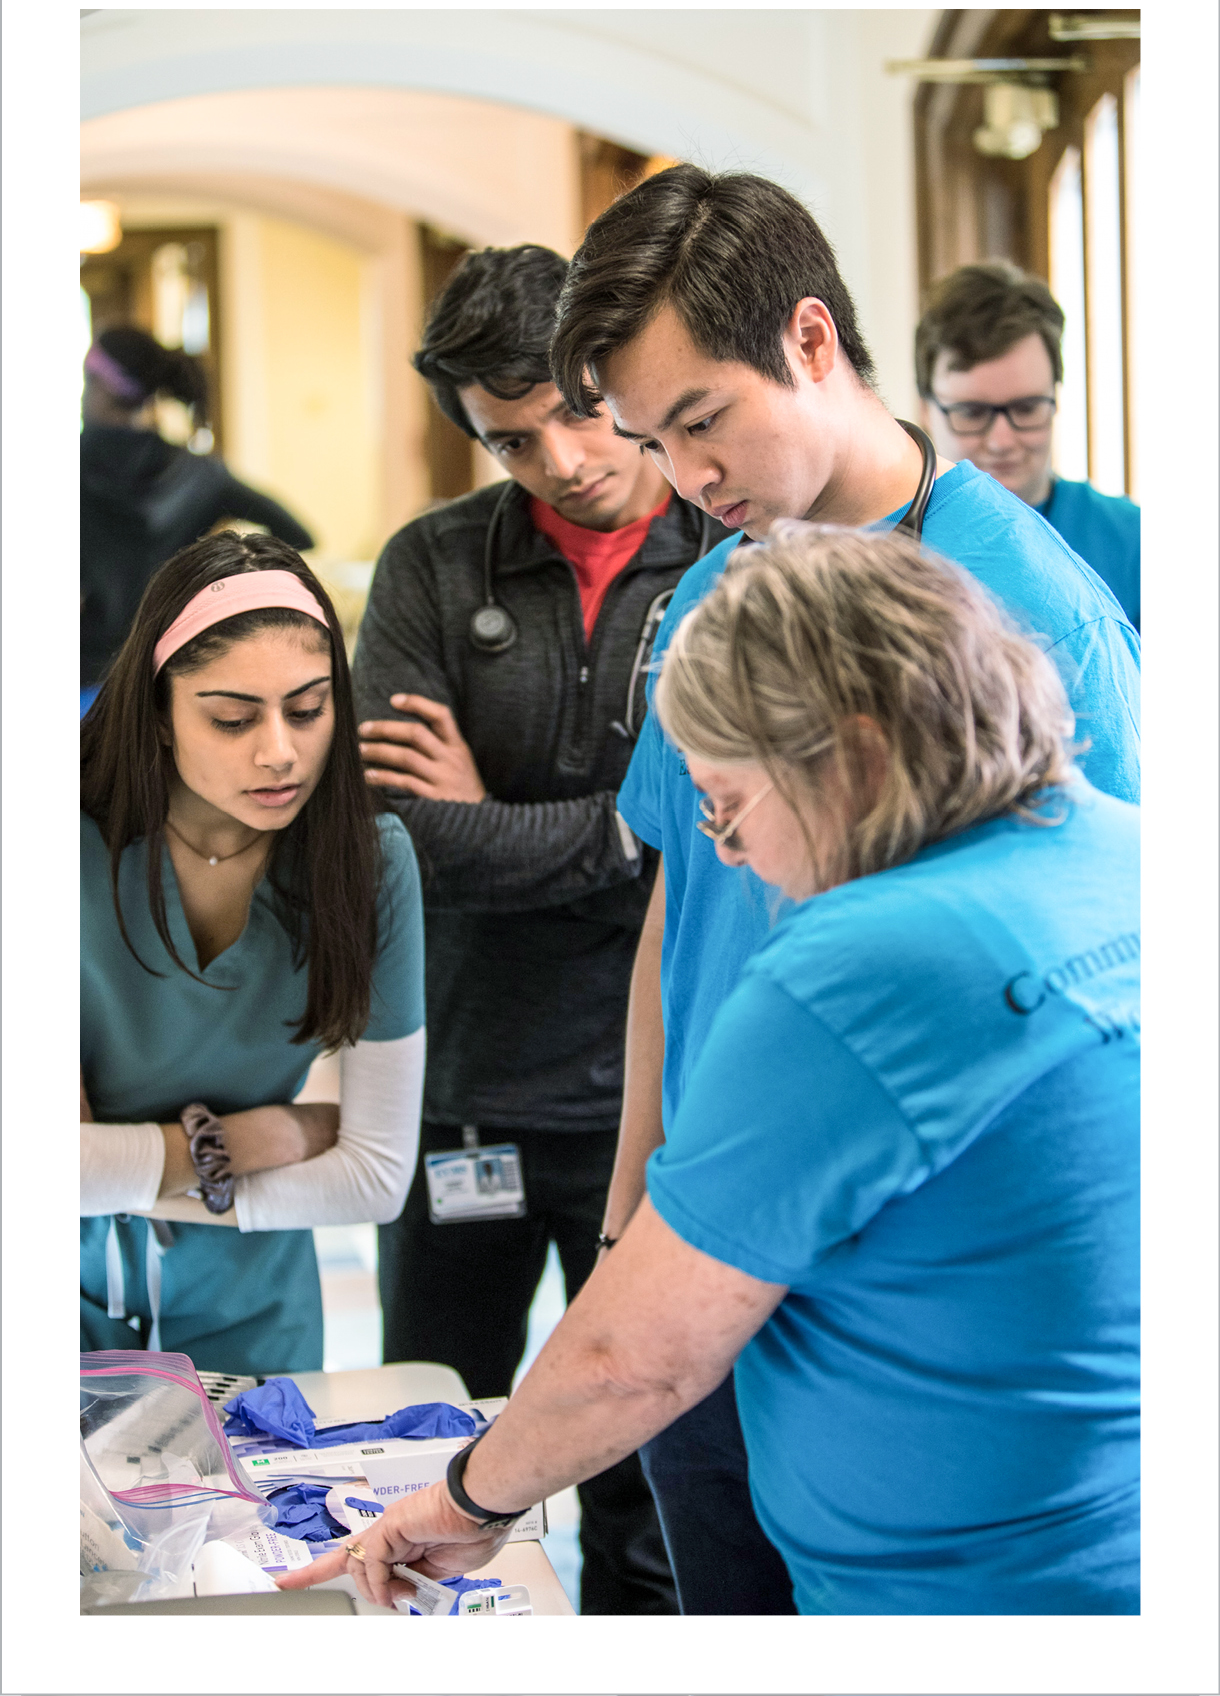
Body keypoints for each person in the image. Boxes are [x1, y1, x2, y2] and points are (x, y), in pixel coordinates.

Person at [280, 527, 1140, 1617]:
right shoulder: (1128, 853)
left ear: (854, 756)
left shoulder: (867, 962)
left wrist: (461, 1502)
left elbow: (632, 1358)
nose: (726, 851)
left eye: (728, 800)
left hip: (956, 1592)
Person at [542, 163, 1142, 1615]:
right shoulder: (718, 593)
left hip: (920, 1306)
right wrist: (628, 1220)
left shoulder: (1033, 612)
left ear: (811, 339)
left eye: (702, 420)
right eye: (653, 441)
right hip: (706, 1248)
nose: (687, 480)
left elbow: (1122, 983)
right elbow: (677, 918)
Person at [351, 245, 727, 1612]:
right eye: (511, 440)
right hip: (468, 1084)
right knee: (423, 1441)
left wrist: (507, 819)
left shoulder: (733, 551)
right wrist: (625, 831)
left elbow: (718, 835)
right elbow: (405, 836)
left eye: (578, 411)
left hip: (659, 1092)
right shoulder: (434, 564)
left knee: (648, 1481)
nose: (561, 460)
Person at [80, 531, 424, 1375]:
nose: (280, 751)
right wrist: (262, 1137)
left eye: (307, 710)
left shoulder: (368, 862)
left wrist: (144, 1167)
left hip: (257, 1309)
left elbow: (376, 1178)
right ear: (158, 715)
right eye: (231, 718)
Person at [81, 326, 314, 705]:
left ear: (100, 385)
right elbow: (299, 535)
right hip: (171, 680)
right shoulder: (200, 476)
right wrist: (222, 576)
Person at [916, 262, 1141, 629]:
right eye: (972, 413)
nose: (1001, 441)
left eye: (1026, 408)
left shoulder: (1134, 543)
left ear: (1055, 398)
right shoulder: (889, 546)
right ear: (926, 409)